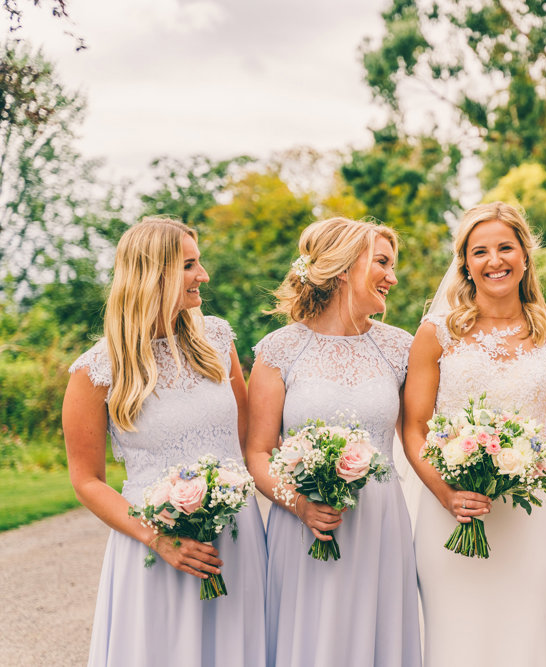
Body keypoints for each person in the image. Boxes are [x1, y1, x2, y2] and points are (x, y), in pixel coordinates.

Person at [62, 217, 266, 667]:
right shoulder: (95, 372)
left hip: (237, 539)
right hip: (156, 545)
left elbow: (247, 438)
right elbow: (87, 481)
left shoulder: (217, 338)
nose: (203, 276)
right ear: (153, 274)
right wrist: (159, 538)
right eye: (190, 265)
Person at [402, 201, 546, 667]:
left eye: (505, 248)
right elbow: (413, 426)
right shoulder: (436, 333)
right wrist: (445, 493)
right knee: (454, 639)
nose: (494, 260)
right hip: (451, 515)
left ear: (525, 255)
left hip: (527, 520)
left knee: (526, 638)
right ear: (465, 263)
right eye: (480, 251)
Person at [245, 217, 420, 667]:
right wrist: (299, 505)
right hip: (303, 520)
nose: (392, 277)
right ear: (344, 268)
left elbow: (421, 436)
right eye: (382, 262)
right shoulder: (280, 350)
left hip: (380, 524)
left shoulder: (401, 349)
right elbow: (258, 451)